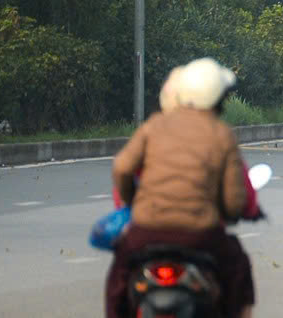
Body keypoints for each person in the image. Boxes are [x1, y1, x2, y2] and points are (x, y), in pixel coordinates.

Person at [105, 57, 260, 318]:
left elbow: (122, 168)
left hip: (147, 232)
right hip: (200, 236)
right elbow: (235, 201)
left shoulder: (153, 127)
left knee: (119, 277)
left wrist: (133, 204)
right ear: (218, 99)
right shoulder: (221, 135)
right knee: (237, 268)